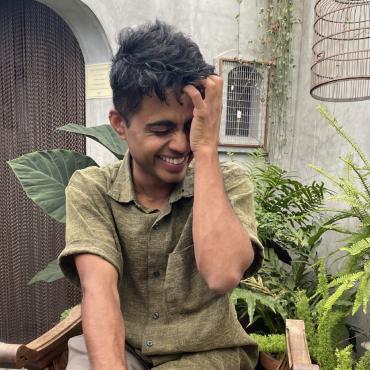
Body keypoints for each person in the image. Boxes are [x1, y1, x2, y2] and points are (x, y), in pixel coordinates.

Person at [59, 20, 264, 370]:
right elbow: (100, 292)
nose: (181, 144)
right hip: (123, 347)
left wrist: (207, 150)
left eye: (190, 125)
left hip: (209, 356)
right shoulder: (92, 188)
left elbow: (222, 274)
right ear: (120, 124)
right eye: (162, 128)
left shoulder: (229, 183)